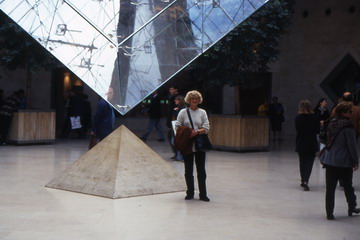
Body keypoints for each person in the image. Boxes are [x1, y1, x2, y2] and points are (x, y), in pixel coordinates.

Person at [320, 101, 360, 220]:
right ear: (343, 112)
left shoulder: (332, 123)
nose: (351, 113)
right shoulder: (348, 126)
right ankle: (352, 207)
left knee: (330, 188)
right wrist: (356, 161)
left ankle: (329, 213)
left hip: (330, 160)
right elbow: (352, 146)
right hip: (344, 161)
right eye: (349, 111)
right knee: (348, 186)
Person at [175, 90, 210, 202]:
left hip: (199, 143)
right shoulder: (183, 112)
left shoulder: (203, 112)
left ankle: (203, 194)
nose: (194, 101)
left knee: (201, 170)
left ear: (199, 100)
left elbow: (207, 127)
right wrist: (188, 132)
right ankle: (189, 193)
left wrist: (198, 131)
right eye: (192, 99)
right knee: (188, 170)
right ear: (188, 100)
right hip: (187, 144)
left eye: (196, 99)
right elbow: (177, 126)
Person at [295, 100, 320, 191]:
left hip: (301, 141)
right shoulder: (314, 117)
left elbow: (297, 129)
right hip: (311, 142)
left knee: (302, 162)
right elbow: (317, 130)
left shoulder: (298, 118)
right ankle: (306, 180)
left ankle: (302, 179)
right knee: (309, 163)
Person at [166, 86, 180, 158]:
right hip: (173, 121)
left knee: (174, 138)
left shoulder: (176, 98)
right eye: (169, 89)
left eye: (171, 89)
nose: (170, 91)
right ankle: (177, 154)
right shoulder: (172, 98)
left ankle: (178, 154)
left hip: (175, 121)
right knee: (172, 137)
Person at [171, 95, 186, 161]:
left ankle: (180, 156)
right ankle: (178, 156)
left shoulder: (182, 109)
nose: (175, 101)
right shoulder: (179, 108)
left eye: (176, 100)